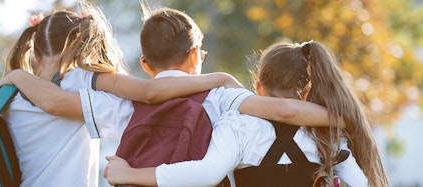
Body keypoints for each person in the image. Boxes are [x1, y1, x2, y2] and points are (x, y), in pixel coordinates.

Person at [0, 5, 243, 187]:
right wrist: (219, 79)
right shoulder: (82, 81)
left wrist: (16, 76)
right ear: (79, 48)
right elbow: (149, 95)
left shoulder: (12, 99)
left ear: (36, 56)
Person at [103, 41, 390, 187]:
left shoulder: (238, 127)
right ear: (305, 92)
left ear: (257, 86)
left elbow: (206, 172)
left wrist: (132, 173)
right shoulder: (327, 135)